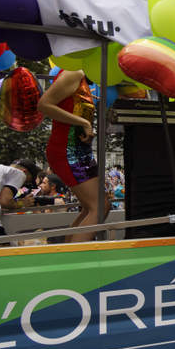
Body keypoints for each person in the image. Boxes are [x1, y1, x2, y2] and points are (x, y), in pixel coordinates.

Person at [38, 69, 103, 242]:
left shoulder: (84, 80)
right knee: (99, 207)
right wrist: (83, 122)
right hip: (67, 151)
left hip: (80, 150)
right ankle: (75, 261)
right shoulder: (73, 73)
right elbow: (44, 104)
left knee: (92, 208)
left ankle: (68, 256)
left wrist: (85, 128)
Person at [0, 159, 40, 241]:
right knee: (3, 250)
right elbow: (4, 201)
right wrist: (22, 203)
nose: (21, 186)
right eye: (26, 182)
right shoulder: (18, 173)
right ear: (24, 171)